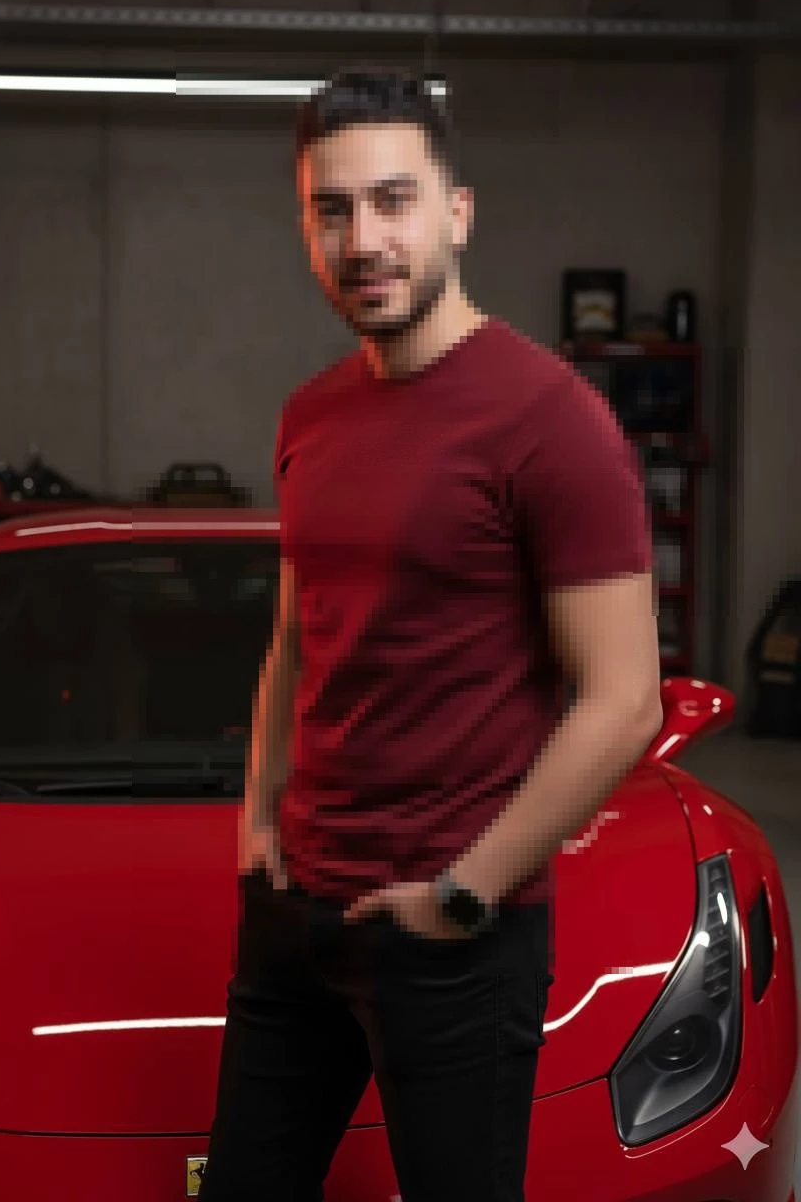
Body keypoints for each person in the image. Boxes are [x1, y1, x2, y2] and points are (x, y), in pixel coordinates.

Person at [199, 69, 662, 1202]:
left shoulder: (550, 420)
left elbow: (623, 701)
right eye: (334, 208)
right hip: (297, 912)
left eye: (394, 200)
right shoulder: (310, 413)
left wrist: (461, 896)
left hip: (454, 937)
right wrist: (261, 817)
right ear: (307, 225)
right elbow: (296, 635)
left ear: (457, 212)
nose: (366, 237)